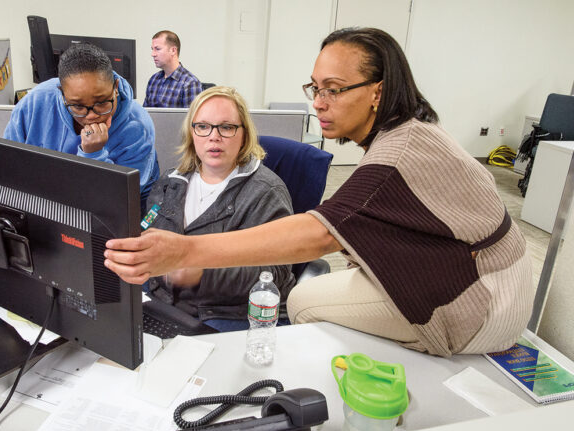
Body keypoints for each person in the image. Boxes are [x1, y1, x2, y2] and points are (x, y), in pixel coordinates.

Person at [104, 28, 533, 357]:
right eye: (315, 88)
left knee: (308, 302)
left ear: (377, 92)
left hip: (484, 303)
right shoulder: (173, 182)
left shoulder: (395, 151)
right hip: (483, 273)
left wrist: (185, 254)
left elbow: (317, 235)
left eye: (334, 89)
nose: (318, 102)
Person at [145, 86, 296, 331]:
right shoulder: (170, 182)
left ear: (244, 135)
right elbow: (148, 231)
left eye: (226, 127)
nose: (214, 137)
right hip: (165, 303)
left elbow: (274, 272)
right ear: (192, 133)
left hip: (229, 314)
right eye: (203, 126)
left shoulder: (265, 192)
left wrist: (201, 274)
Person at [4, 43, 159, 212]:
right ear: (62, 95)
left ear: (115, 88)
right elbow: (6, 166)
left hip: (109, 217)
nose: (91, 116)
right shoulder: (35, 103)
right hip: (45, 208)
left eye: (101, 103)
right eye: (78, 107)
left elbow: (117, 203)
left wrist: (94, 154)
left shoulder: (138, 127)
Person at [143, 30, 202, 108]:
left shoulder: (190, 83)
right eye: (152, 49)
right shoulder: (154, 80)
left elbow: (191, 119)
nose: (153, 54)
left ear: (173, 50)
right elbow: (145, 115)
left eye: (157, 49)